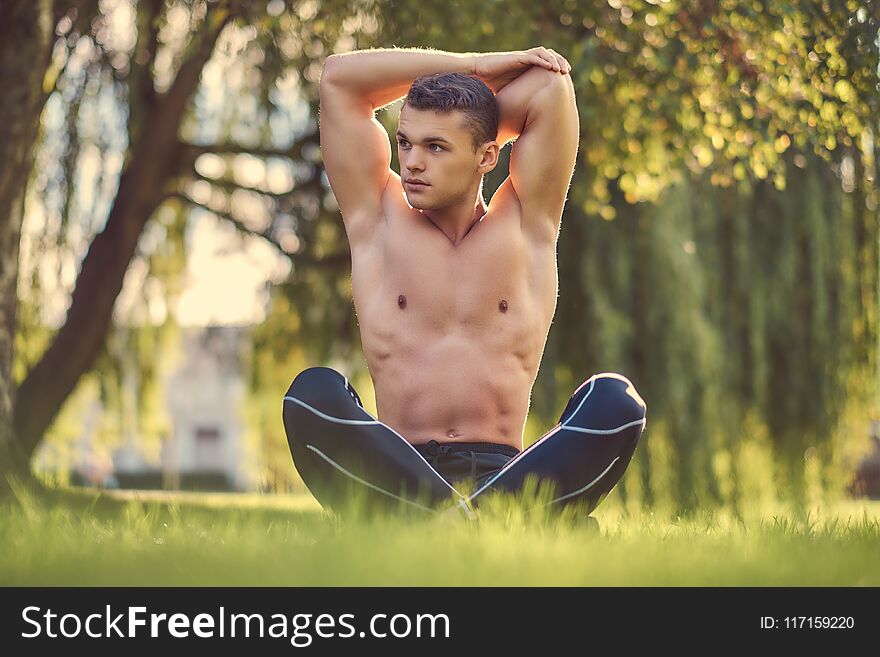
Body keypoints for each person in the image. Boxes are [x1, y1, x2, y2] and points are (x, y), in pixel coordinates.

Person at [282, 46, 647, 520]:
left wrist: (473, 116)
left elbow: (550, 87)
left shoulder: (526, 223)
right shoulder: (376, 218)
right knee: (310, 395)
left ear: (488, 155)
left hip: (506, 475)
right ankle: (481, 521)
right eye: (406, 142)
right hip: (398, 471)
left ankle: (457, 519)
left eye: (436, 147)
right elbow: (339, 80)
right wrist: (473, 68)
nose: (412, 162)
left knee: (617, 402)